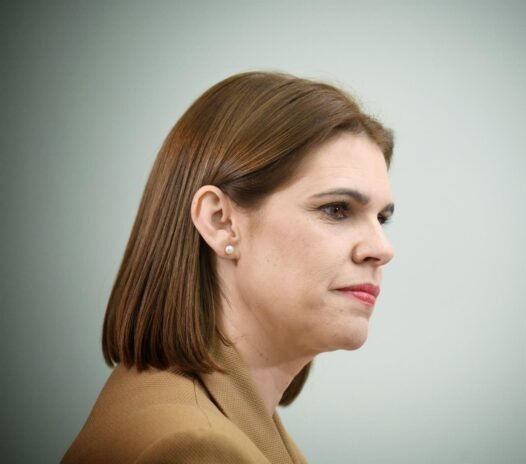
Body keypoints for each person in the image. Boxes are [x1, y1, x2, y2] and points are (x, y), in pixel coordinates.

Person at [61, 71, 396, 463]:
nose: (381, 248)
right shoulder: (192, 449)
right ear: (220, 222)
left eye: (381, 218)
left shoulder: (202, 423)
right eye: (336, 209)